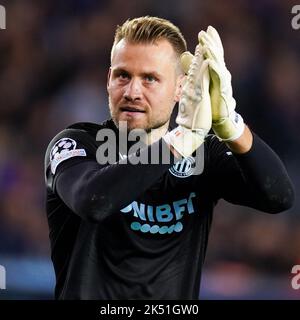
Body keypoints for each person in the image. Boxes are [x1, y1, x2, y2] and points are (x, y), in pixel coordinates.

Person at [44, 16, 294, 300]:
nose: (132, 92)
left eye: (149, 78)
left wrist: (230, 124)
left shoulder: (204, 154)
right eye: (123, 75)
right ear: (108, 80)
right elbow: (94, 202)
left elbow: (279, 197)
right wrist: (179, 141)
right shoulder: (76, 143)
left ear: (180, 87)